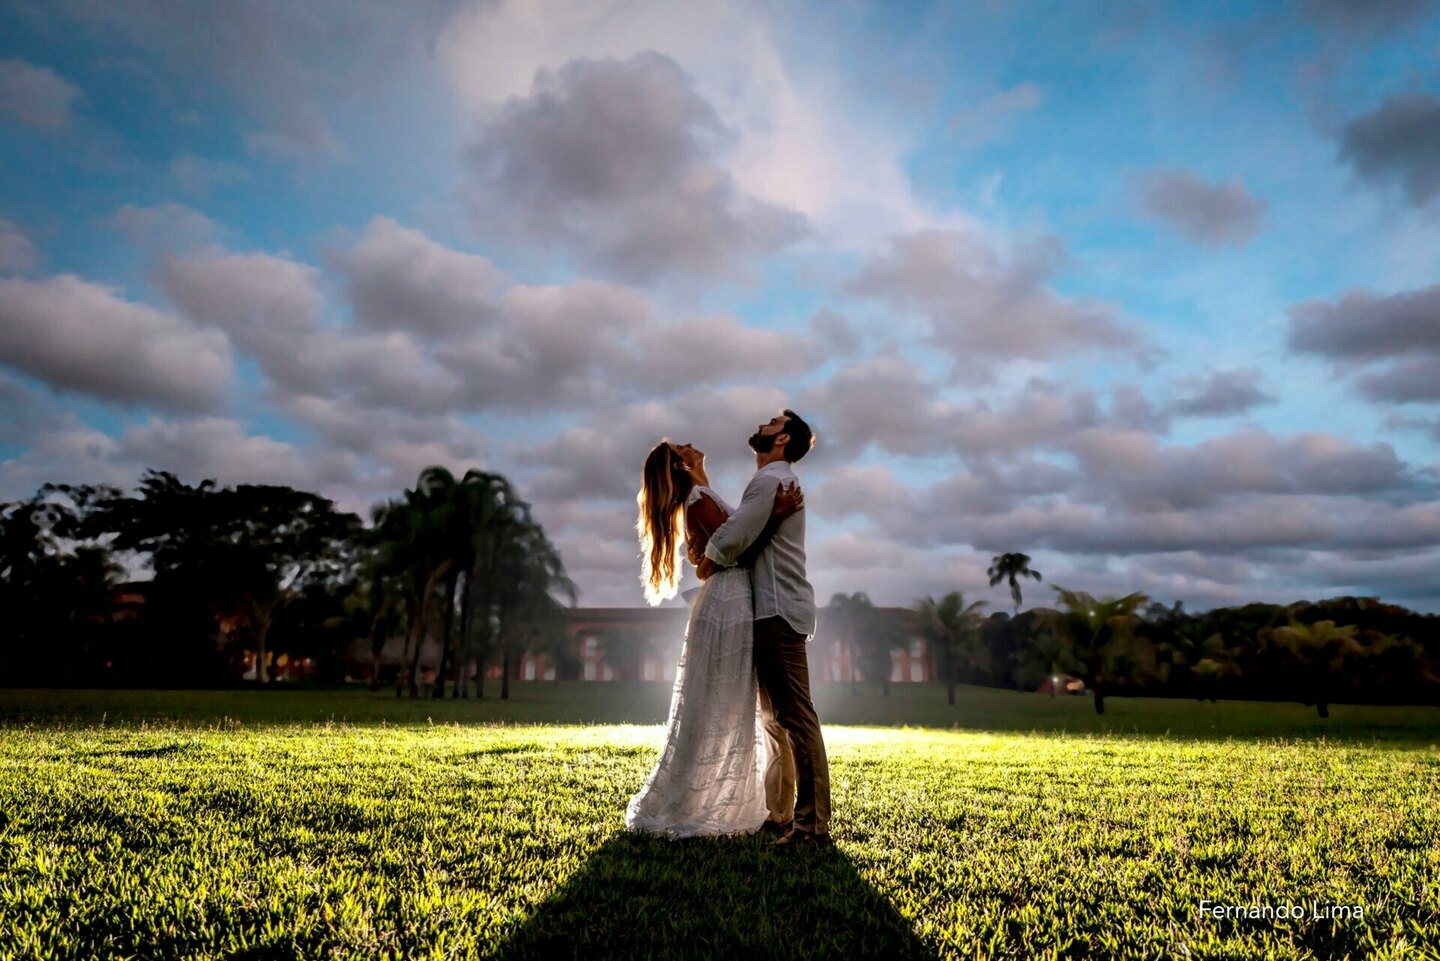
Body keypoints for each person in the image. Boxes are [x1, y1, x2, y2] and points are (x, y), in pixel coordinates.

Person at [625, 440, 801, 838]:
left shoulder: (701, 496)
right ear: (681, 466)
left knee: (725, 699)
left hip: (729, 595)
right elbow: (740, 548)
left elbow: (719, 549)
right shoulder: (699, 498)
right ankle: (708, 800)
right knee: (725, 698)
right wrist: (777, 514)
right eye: (681, 447)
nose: (690, 444)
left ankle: (733, 796)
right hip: (730, 600)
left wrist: (705, 560)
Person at [697, 409, 829, 847]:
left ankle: (811, 827)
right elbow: (751, 535)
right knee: (776, 720)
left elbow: (734, 537)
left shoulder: (770, 481)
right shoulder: (773, 482)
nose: (762, 425)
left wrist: (708, 562)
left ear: (783, 438)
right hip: (773, 610)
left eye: (772, 423)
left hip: (777, 611)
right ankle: (782, 815)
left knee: (796, 717)